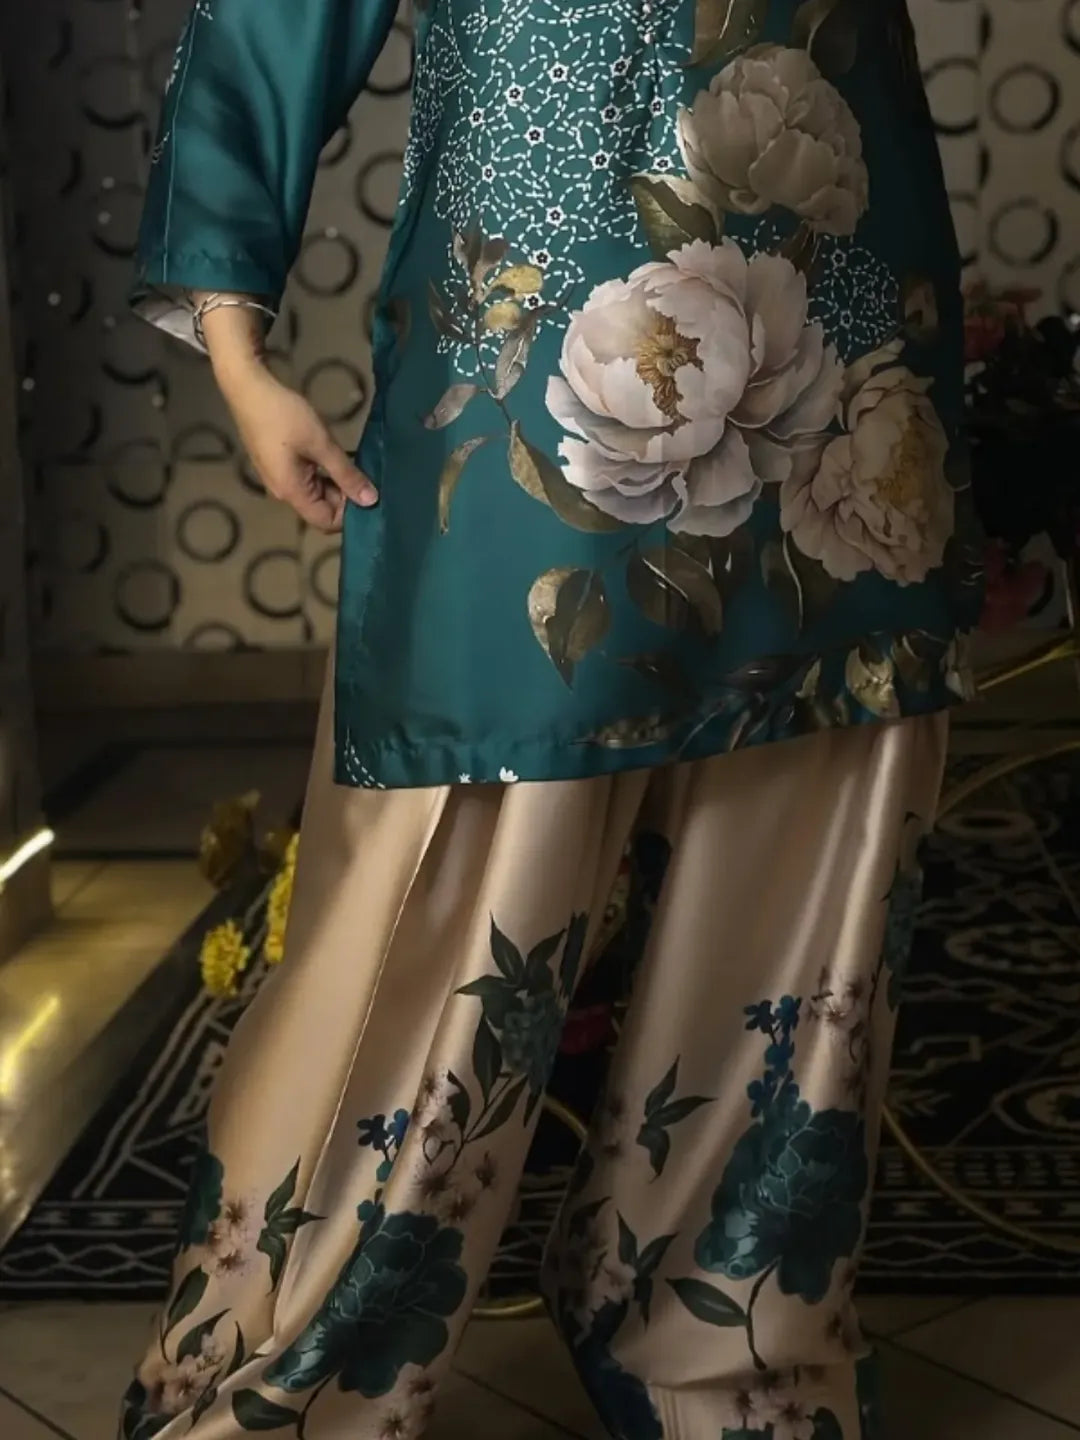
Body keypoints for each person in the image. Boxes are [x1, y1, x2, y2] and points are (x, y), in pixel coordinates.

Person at [121, 0, 984, 1435]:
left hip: (847, 349)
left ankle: (719, 1355)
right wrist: (236, 352)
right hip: (535, 368)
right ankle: (276, 1370)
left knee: (805, 880)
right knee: (459, 875)